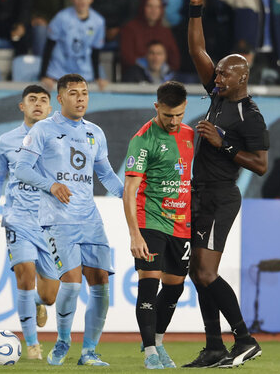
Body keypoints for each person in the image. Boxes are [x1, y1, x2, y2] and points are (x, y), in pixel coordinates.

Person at [185, 0, 269, 368]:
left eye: (223, 75)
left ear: (242, 78)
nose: (216, 79)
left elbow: (261, 165)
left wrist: (224, 145)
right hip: (200, 192)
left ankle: (245, 338)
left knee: (205, 271)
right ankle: (214, 346)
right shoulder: (219, 96)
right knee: (196, 272)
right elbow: (196, 49)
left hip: (221, 196)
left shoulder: (251, 116)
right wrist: (196, 7)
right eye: (216, 74)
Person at [15, 73, 124, 366]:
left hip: (90, 218)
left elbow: (106, 174)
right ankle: (63, 341)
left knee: (101, 282)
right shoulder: (43, 129)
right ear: (60, 98)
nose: (80, 99)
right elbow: (22, 169)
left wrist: (129, 196)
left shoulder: (95, 132)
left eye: (84, 93)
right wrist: (51, 185)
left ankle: (89, 352)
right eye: (74, 93)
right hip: (57, 218)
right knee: (72, 284)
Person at [123, 81, 194, 369]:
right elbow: (129, 190)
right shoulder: (142, 139)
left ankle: (157, 340)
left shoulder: (190, 135)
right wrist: (135, 235)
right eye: (168, 115)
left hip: (181, 224)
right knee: (149, 283)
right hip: (150, 220)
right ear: (156, 107)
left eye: (179, 115)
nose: (174, 121)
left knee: (175, 287)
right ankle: (150, 352)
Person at [0, 85, 60, 360]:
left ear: (50, 108)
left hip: (50, 223)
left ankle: (38, 304)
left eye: (43, 100)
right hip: (18, 219)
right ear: (22, 106)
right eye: (32, 99)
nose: (38, 104)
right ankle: (32, 346)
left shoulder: (60, 141)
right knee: (25, 275)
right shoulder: (6, 141)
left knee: (49, 296)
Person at [39, 0, 107, 90]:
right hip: (58, 73)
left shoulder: (98, 21)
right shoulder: (61, 18)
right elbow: (49, 47)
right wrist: (43, 75)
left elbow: (95, 52)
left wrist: (97, 77)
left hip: (84, 75)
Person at [119, 0, 180, 73]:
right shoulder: (129, 29)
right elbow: (126, 57)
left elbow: (174, 60)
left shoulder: (165, 32)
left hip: (161, 75)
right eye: (150, 6)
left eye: (157, 7)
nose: (153, 10)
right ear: (143, 7)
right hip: (136, 75)